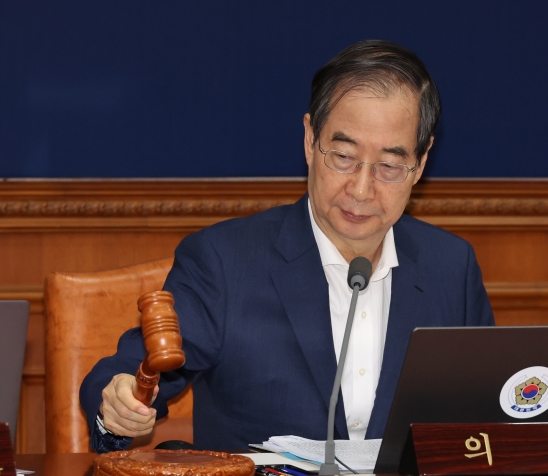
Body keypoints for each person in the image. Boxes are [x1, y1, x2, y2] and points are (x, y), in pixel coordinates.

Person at [80, 39, 494, 453]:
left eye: (389, 166)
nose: (362, 189)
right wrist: (118, 406)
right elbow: (126, 376)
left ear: (420, 165)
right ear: (310, 140)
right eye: (344, 156)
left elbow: (489, 408)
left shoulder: (450, 267)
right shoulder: (225, 263)